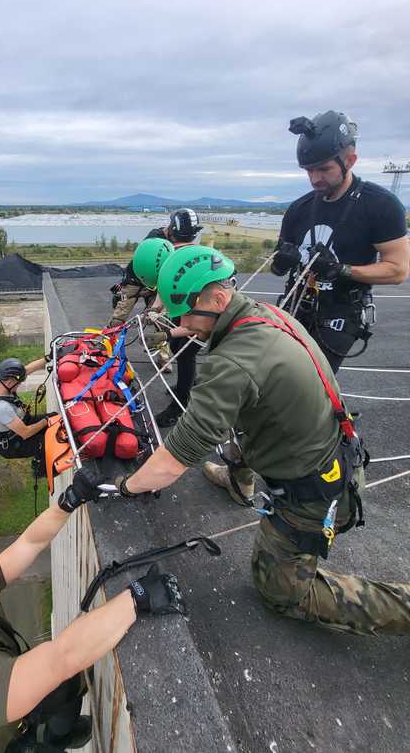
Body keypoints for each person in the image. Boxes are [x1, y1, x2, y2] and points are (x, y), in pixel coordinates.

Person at [106, 244, 410, 635]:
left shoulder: (233, 364)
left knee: (281, 592)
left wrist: (123, 487)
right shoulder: (265, 314)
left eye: (186, 313)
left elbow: (171, 461)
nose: (184, 323)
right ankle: (239, 479)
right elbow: (212, 336)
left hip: (313, 496)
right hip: (337, 452)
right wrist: (177, 322)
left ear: (217, 297)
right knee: (247, 412)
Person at [0, 476, 185, 752]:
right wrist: (137, 598)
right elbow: (62, 657)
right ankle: (51, 742)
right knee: (61, 678)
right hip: (0, 743)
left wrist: (70, 499)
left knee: (64, 685)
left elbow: (27, 544)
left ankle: (58, 732)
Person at [271, 110, 409, 373]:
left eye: (324, 169)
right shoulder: (299, 209)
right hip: (297, 304)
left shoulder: (380, 205)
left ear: (351, 160)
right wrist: (281, 261)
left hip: (342, 310)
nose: (314, 178)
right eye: (308, 170)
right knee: (272, 375)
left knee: (309, 380)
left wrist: (341, 269)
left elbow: (398, 270)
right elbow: (277, 270)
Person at [128, 229, 208, 428]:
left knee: (186, 351)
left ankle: (179, 406)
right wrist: (153, 310)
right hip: (195, 306)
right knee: (177, 346)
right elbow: (163, 289)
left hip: (211, 313)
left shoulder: (188, 278)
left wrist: (165, 333)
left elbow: (195, 327)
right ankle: (186, 384)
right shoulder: (171, 263)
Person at [108, 208, 202, 327]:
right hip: (136, 279)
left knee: (160, 320)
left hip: (158, 282)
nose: (180, 243)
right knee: (119, 317)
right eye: (178, 240)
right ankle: (106, 340)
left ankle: (161, 342)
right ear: (172, 230)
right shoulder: (155, 239)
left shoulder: (180, 242)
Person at [0, 357, 52, 474]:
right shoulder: (0, 407)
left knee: (54, 418)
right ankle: (42, 470)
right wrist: (46, 420)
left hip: (19, 425)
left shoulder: (0, 382)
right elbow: (26, 433)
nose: (20, 385)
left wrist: (48, 358)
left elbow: (26, 370)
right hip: (12, 444)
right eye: (18, 383)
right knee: (46, 441)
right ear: (10, 382)